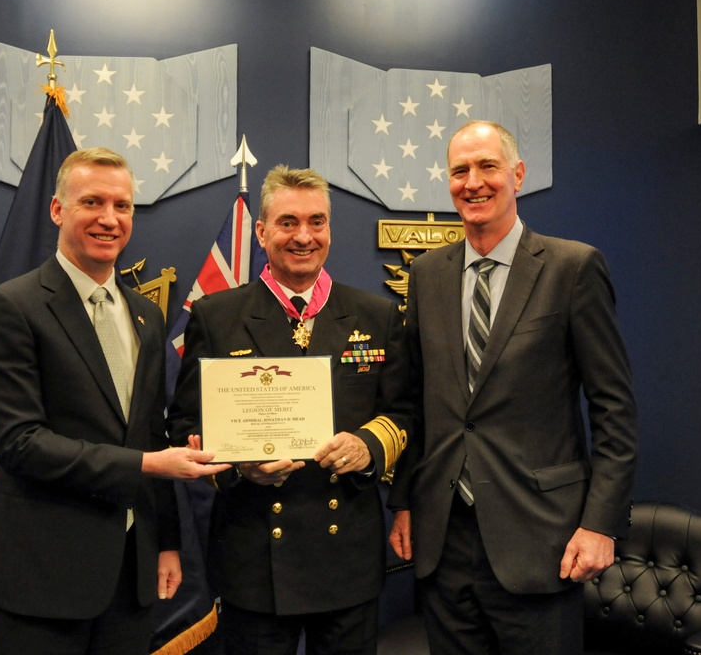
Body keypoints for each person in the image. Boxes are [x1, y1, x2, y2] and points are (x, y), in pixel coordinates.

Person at [387, 121, 638, 655]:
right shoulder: (427, 274)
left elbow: (614, 409)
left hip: (541, 541)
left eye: (487, 166)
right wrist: (406, 501)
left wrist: (600, 525)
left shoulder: (572, 268)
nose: (472, 182)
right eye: (459, 170)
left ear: (517, 175)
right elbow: (417, 402)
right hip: (443, 541)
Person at [0, 147, 230, 654]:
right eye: (92, 202)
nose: (109, 219)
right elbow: (20, 443)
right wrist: (149, 464)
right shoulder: (12, 308)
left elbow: (149, 430)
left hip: (130, 573)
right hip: (41, 575)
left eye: (123, 206)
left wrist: (169, 543)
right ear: (57, 210)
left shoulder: (145, 316)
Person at [167, 165, 412, 655]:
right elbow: (185, 425)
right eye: (288, 223)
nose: (304, 236)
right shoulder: (216, 317)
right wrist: (238, 464)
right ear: (261, 231)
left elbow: (406, 411)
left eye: (317, 222)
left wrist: (367, 445)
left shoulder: (376, 315)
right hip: (253, 557)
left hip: (347, 558)